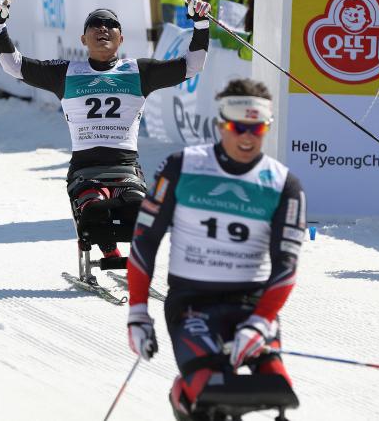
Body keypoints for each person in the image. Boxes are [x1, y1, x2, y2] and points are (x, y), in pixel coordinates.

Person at [125, 79, 305, 420]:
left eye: (258, 128)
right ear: (222, 124)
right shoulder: (182, 167)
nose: (248, 137)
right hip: (193, 302)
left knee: (278, 390)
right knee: (212, 391)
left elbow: (287, 264)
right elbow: (145, 241)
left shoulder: (284, 184)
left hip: (250, 304)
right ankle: (187, 401)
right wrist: (137, 311)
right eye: (239, 128)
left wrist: (261, 322)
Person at [0, 0, 211, 262]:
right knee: (94, 210)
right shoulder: (66, 72)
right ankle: (106, 246)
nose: (103, 28)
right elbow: (15, 65)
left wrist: (201, 25)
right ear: (83, 39)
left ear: (121, 38)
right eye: (95, 24)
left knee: (139, 213)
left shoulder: (139, 71)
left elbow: (192, 65)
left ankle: (124, 249)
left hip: (125, 167)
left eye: (110, 24)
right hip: (85, 168)